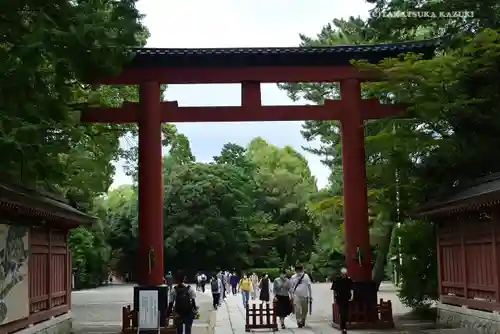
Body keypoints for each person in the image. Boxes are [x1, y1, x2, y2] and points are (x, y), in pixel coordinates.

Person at [331, 267, 354, 334]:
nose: (344, 275)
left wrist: (352, 296)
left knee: (345, 312)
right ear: (341, 274)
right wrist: (334, 298)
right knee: (342, 312)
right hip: (339, 298)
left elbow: (351, 289)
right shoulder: (337, 280)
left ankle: (344, 326)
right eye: (343, 274)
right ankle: (343, 328)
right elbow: (334, 290)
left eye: (345, 274)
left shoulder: (349, 280)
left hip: (347, 298)